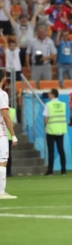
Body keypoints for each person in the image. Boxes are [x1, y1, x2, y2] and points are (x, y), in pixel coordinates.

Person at [0, 69, 18, 199]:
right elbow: (6, 116)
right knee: (2, 162)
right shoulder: (2, 95)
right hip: (0, 133)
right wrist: (13, 135)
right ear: (4, 79)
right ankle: (1, 192)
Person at [43, 89, 67, 176]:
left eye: (49, 93)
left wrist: (45, 127)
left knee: (51, 151)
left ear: (53, 94)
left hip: (51, 130)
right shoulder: (62, 104)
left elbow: (46, 119)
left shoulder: (48, 104)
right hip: (61, 129)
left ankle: (50, 171)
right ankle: (63, 170)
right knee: (61, 150)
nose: (48, 94)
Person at [5, 106, 16, 177]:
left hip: (2, 135)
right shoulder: (12, 111)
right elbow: (14, 123)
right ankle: (8, 172)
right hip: (8, 135)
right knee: (8, 155)